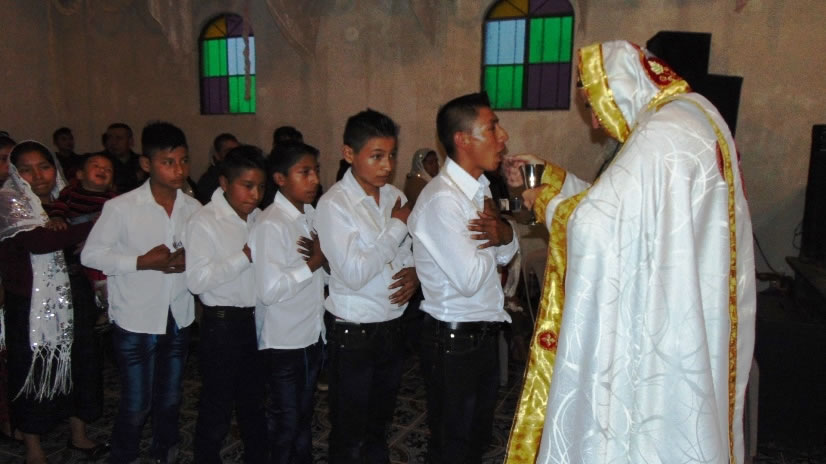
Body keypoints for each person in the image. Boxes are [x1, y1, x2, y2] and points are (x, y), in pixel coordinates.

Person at [505, 40, 756, 464]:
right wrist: (550, 176)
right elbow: (622, 213)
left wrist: (541, 201)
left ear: (617, 87)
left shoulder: (661, 132)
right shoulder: (688, 115)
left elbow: (598, 227)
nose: (595, 122)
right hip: (679, 301)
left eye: (592, 105)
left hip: (662, 318)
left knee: (643, 428)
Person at [408, 92, 518, 463]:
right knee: (452, 447)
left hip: (479, 335)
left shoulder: (479, 188)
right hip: (453, 342)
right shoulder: (443, 200)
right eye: (492, 128)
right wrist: (498, 239)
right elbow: (469, 278)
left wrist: (503, 235)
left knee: (475, 442)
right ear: (463, 140)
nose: (503, 137)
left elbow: (506, 252)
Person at [81, 122, 201, 464]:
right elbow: (91, 255)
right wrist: (141, 262)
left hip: (178, 315)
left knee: (171, 398)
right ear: (147, 164)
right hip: (136, 318)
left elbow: (202, 253)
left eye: (183, 161)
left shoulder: (193, 208)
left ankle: (165, 453)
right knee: (137, 403)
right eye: (168, 162)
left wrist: (188, 262)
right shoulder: (122, 207)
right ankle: (124, 456)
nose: (178, 170)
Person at [315, 109, 418, 464]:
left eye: (391, 155)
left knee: (380, 424)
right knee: (349, 430)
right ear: (349, 154)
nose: (387, 165)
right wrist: (396, 227)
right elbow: (355, 272)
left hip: (391, 324)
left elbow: (407, 252)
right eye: (376, 156)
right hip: (354, 332)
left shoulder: (393, 196)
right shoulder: (333, 205)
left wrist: (414, 272)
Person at [0, 141, 103, 464]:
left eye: (44, 166)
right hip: (30, 303)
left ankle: (78, 434)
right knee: (32, 370)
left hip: (75, 294)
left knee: (80, 363)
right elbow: (40, 241)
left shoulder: (67, 198)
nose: (38, 176)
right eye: (26, 169)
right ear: (16, 174)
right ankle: (34, 448)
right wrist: (96, 222)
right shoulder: (9, 201)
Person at [185, 145, 268, 464]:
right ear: (224, 182)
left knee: (254, 400)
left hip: (254, 319)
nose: (255, 194)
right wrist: (244, 256)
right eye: (247, 185)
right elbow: (197, 281)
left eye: (260, 186)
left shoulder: (259, 218)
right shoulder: (205, 220)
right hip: (222, 324)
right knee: (217, 404)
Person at [250, 141, 326, 464]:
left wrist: (324, 263)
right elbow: (269, 290)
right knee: (286, 422)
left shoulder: (310, 215)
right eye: (304, 172)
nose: (314, 180)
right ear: (280, 179)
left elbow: (322, 275)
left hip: (310, 334)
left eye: (316, 171)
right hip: (284, 343)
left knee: (303, 417)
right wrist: (313, 263)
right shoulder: (272, 224)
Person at [195, 133, 239, 204]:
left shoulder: (241, 173)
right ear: (217, 155)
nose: (234, 155)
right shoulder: (209, 181)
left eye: (237, 151)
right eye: (229, 151)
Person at [102, 123, 145, 193]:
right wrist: (134, 178)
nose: (113, 142)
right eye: (109, 138)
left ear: (130, 141)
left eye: (119, 138)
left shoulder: (141, 162)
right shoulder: (98, 161)